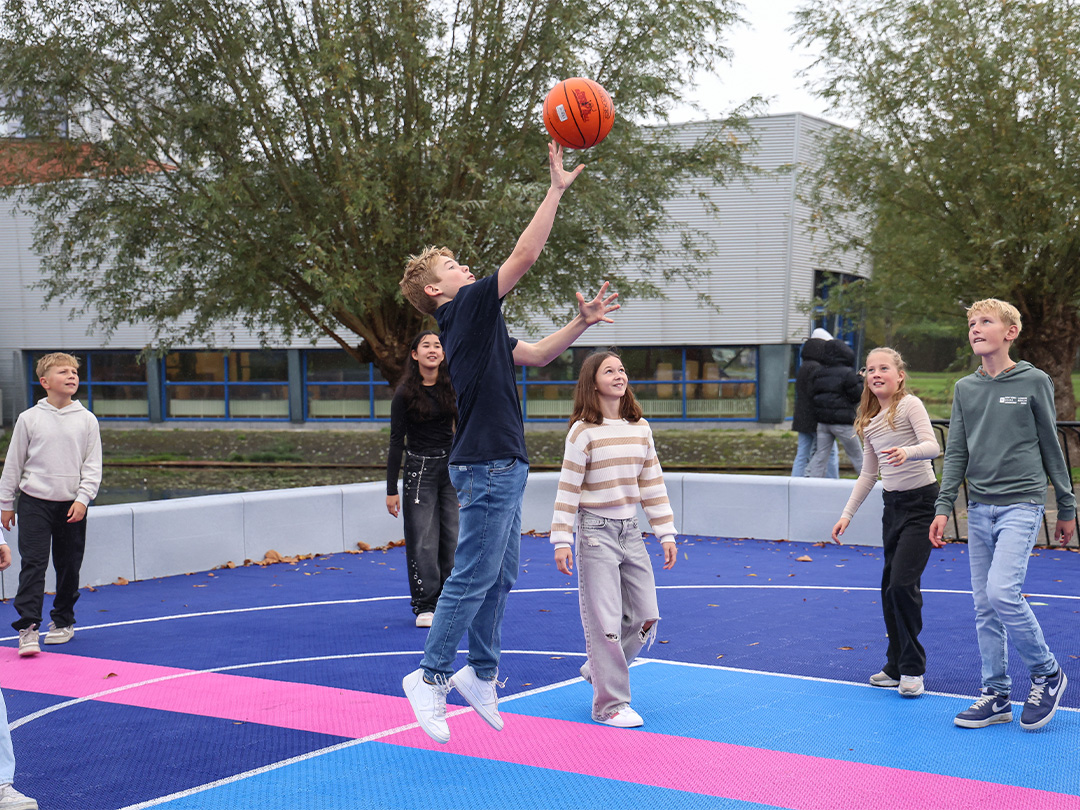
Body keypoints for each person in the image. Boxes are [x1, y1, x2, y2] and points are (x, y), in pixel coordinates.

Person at [397, 141, 620, 744]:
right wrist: (554, 190)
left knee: (500, 578)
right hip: (488, 464)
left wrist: (582, 323)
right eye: (453, 267)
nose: (465, 268)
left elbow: (539, 355)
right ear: (439, 291)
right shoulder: (465, 308)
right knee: (473, 574)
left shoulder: (479, 321)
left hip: (502, 463)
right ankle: (431, 675)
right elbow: (523, 256)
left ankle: (482, 673)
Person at [930, 299, 1074, 731]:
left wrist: (1065, 505)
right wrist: (943, 506)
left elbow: (1051, 443)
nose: (976, 328)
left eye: (986, 322)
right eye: (971, 323)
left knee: (1002, 593)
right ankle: (995, 695)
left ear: (1010, 332)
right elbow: (956, 451)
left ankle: (1048, 673)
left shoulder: (1034, 380)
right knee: (984, 607)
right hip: (979, 510)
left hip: (1022, 504)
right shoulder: (964, 389)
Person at [551, 351, 677, 728]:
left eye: (622, 369)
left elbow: (651, 483)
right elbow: (567, 487)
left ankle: (598, 668)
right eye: (610, 370)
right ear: (593, 382)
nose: (619, 375)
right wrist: (561, 538)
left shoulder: (640, 427)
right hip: (594, 534)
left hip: (631, 531)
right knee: (605, 622)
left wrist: (665, 530)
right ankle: (609, 705)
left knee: (645, 617)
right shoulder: (582, 431)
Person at [830, 348, 940, 697]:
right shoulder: (869, 419)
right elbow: (868, 474)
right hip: (892, 507)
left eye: (884, 368)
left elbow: (932, 445)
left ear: (899, 375)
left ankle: (912, 669)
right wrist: (846, 514)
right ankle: (894, 664)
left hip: (922, 503)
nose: (876, 373)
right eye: (870, 368)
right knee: (888, 587)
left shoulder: (910, 406)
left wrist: (907, 452)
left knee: (902, 585)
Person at [0, 353, 102, 657]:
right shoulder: (29, 418)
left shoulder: (87, 419)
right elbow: (14, 465)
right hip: (34, 503)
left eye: (74, 372)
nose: (71, 376)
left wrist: (83, 499)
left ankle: (63, 621)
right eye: (63, 372)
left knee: (68, 565)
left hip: (72, 505)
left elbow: (93, 466)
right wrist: (6, 504)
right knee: (33, 563)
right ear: (44, 382)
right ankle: (28, 627)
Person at [385, 331, 459, 628]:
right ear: (414, 354)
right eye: (425, 345)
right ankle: (425, 604)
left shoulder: (452, 387)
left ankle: (449, 600)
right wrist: (391, 490)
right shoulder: (404, 393)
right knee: (423, 539)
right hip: (419, 470)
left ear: (443, 354)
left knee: (453, 536)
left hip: (451, 467)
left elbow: (463, 428)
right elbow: (395, 442)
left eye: (438, 345)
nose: (433, 350)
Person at [806, 337, 864, 477]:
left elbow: (812, 395)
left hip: (823, 423)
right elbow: (856, 396)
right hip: (843, 423)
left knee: (821, 455)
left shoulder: (817, 373)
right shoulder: (848, 373)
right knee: (857, 455)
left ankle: (809, 482)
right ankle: (870, 482)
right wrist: (860, 380)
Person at [791, 327, 839, 478]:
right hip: (816, 419)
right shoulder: (817, 368)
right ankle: (833, 483)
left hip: (802, 418)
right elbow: (820, 394)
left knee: (803, 453)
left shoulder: (804, 366)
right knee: (830, 451)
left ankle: (795, 484)